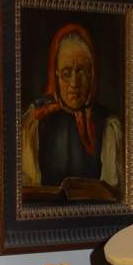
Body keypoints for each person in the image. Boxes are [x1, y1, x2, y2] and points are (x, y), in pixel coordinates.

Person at [19, 23, 121, 198]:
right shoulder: (35, 120)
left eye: (81, 71)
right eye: (67, 73)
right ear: (56, 74)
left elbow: (114, 194)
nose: (74, 83)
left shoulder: (107, 125)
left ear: (92, 74)